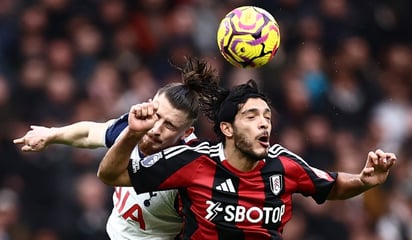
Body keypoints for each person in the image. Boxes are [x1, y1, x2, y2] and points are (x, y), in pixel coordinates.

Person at [98, 79, 397, 240]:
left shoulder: (284, 165)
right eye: (252, 116)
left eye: (267, 117)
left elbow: (332, 186)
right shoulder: (192, 161)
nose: (264, 124)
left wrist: (364, 181)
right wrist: (132, 135)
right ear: (226, 128)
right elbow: (111, 174)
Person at [13, 57, 222, 239]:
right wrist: (51, 135)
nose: (156, 128)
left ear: (186, 133)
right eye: (157, 115)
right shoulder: (136, 122)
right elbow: (89, 134)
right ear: (150, 104)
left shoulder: (191, 165)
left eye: (169, 125)